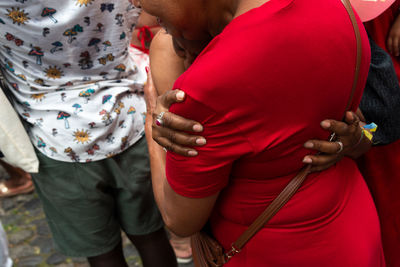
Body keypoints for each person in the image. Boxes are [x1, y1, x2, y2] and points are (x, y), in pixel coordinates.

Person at [139, 0, 385, 266]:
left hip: (276, 250)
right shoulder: (337, 7)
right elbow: (366, 130)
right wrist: (357, 139)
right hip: (353, 228)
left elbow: (179, 220)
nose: (140, 9)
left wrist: (153, 116)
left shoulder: (208, 83)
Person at [0, 1, 176, 266]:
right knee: (152, 237)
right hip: (131, 119)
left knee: (102, 253)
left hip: (55, 139)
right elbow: (147, 16)